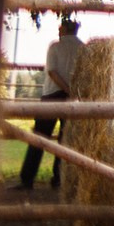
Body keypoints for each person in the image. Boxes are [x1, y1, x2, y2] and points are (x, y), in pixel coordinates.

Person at [20, 16, 83, 191]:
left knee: (39, 137)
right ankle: (58, 179)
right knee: (65, 139)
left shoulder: (55, 46)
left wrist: (65, 88)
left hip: (51, 96)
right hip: (72, 99)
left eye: (60, 27)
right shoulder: (83, 48)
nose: (58, 29)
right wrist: (71, 91)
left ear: (64, 29)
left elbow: (52, 72)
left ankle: (27, 179)